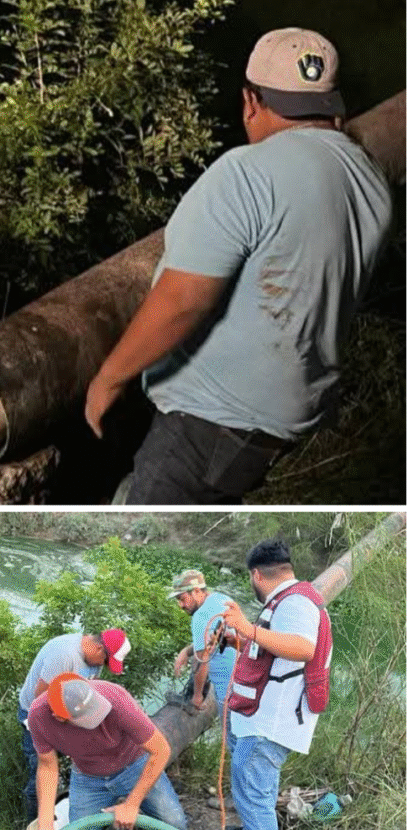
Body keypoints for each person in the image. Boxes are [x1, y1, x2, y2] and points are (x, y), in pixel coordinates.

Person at [84, 28, 393, 503]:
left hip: (206, 423)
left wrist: (110, 378)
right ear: (332, 104)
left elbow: (184, 300)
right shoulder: (369, 182)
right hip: (279, 428)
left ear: (251, 101)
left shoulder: (246, 173)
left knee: (141, 554)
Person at [218, 539, 331, 830]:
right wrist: (239, 639)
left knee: (252, 786)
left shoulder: (295, 600)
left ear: (256, 574)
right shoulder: (285, 599)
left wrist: (247, 627)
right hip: (260, 712)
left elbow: (301, 647)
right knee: (255, 782)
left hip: (274, 718)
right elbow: (273, 647)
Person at [30, 674, 187, 830]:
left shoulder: (115, 699)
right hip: (88, 777)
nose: (98, 718)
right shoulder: (39, 717)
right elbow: (48, 766)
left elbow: (161, 749)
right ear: (60, 718)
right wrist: (46, 821)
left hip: (134, 763)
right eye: (86, 718)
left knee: (175, 823)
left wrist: (132, 803)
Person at [17, 628, 131, 823]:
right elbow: (40, 700)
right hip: (36, 715)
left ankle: (62, 813)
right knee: (41, 768)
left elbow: (85, 693)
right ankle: (34, 826)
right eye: (105, 661)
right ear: (97, 648)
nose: (103, 666)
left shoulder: (93, 661)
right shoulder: (64, 654)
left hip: (66, 715)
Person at [168, 569, 237, 750]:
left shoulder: (200, 616)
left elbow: (202, 659)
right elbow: (213, 638)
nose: (180, 605)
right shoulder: (221, 599)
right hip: (243, 682)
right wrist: (186, 651)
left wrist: (197, 697)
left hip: (227, 690)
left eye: (182, 598)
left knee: (233, 744)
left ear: (197, 591)